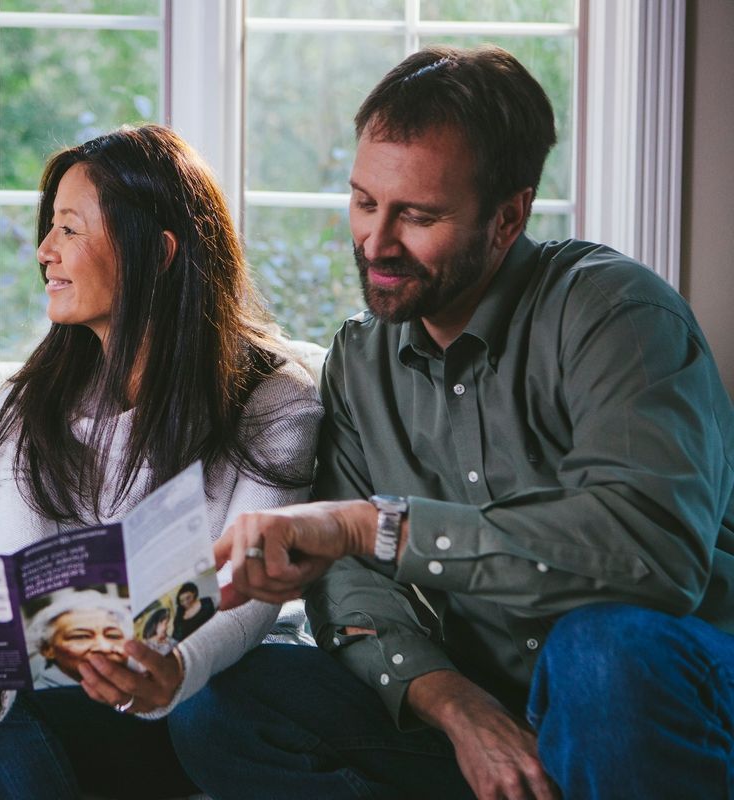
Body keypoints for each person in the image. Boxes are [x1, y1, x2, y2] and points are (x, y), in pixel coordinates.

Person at [174, 45, 734, 800]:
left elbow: (651, 556)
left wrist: (374, 525)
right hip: (494, 707)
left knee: (601, 652)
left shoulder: (618, 315)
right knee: (234, 701)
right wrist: (455, 704)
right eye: (365, 202)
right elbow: (350, 582)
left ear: (508, 219)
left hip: (660, 694)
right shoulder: (360, 359)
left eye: (418, 216)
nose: (374, 243)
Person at [0, 123, 323, 798]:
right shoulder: (32, 409)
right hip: (79, 705)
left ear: (159, 251)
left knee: (206, 714)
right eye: (49, 228)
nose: (44, 252)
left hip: (212, 701)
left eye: (69, 229)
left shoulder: (272, 400)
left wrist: (174, 671)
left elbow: (253, 597)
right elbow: (18, 604)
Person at [28, 589, 132, 688]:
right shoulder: (31, 702)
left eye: (113, 636)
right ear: (47, 649)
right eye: (80, 636)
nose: (104, 647)